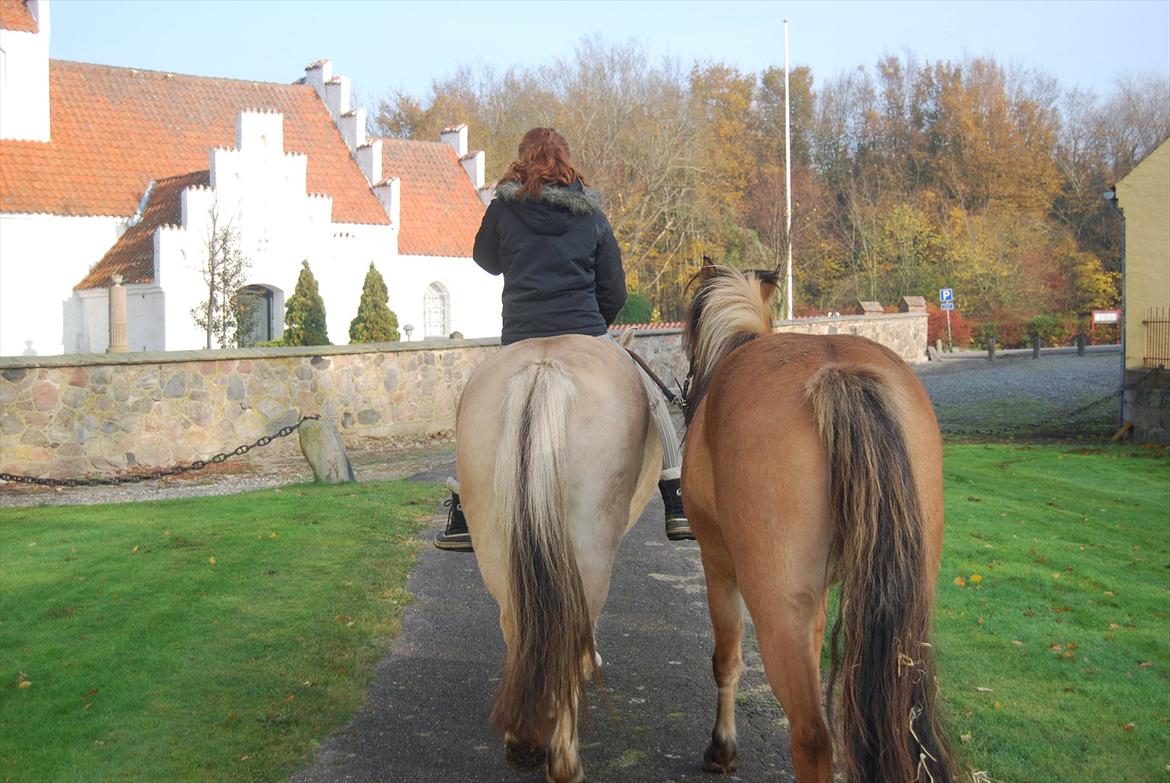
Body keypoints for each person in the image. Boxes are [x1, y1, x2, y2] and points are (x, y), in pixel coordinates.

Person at [434, 127, 691, 552]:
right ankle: (675, 496)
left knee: (471, 401)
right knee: (651, 396)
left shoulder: (504, 207)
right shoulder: (590, 214)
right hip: (584, 327)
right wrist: (595, 327)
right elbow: (615, 289)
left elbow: (485, 260)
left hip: (520, 334)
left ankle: (462, 508)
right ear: (567, 161)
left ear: (522, 160)